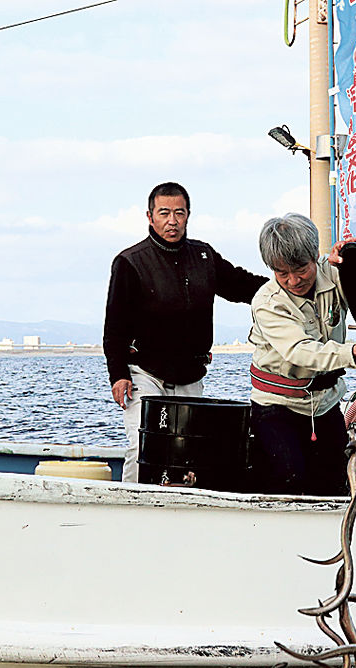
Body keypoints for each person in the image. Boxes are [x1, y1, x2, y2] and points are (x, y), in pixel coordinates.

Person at [103, 182, 268, 483]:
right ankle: (130, 506)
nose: (172, 220)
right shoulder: (130, 262)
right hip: (145, 373)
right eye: (164, 213)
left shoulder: (203, 256)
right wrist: (118, 374)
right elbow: (114, 328)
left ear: (188, 215)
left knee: (188, 452)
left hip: (190, 375)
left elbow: (239, 284)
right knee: (143, 445)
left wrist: (283, 284)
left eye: (179, 213)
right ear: (150, 216)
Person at [249, 213, 356, 495]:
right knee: (289, 480)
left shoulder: (333, 271)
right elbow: (300, 351)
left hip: (325, 403)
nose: (293, 280)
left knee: (335, 484)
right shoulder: (267, 303)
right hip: (276, 406)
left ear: (315, 255)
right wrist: (354, 352)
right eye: (282, 273)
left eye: (301, 268)